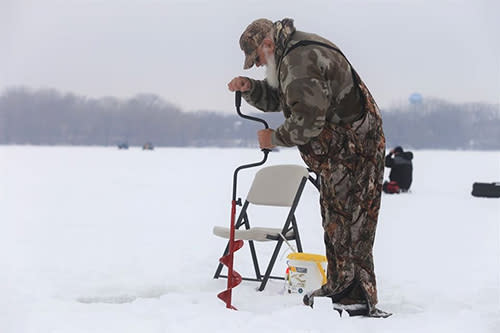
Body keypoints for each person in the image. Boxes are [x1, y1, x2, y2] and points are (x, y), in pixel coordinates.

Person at [228, 18, 391, 318]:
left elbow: (307, 122)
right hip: (342, 148)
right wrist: (250, 88)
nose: (261, 65)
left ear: (267, 45)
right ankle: (340, 286)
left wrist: (273, 137)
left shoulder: (299, 59)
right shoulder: (292, 54)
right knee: (335, 216)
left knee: (352, 219)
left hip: (355, 147)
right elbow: (285, 96)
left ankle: (356, 294)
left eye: (259, 60)